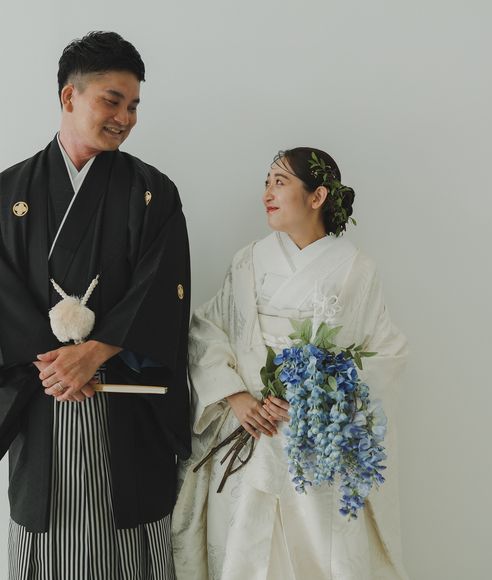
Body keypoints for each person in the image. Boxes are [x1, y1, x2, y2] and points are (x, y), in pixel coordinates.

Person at [0, 31, 191, 579]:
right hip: (43, 397)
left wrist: (98, 349)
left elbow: (164, 287)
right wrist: (56, 364)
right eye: (113, 101)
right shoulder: (9, 192)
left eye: (133, 106)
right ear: (70, 96)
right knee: (50, 542)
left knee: (129, 540)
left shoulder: (153, 191)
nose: (125, 118)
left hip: (127, 403)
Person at [172, 148, 410, 580]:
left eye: (280, 183)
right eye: (266, 182)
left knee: (315, 555)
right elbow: (208, 329)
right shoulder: (248, 260)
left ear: (317, 196)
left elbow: (385, 354)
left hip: (315, 440)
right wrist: (237, 396)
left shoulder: (356, 270)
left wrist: (319, 390)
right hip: (249, 425)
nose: (267, 193)